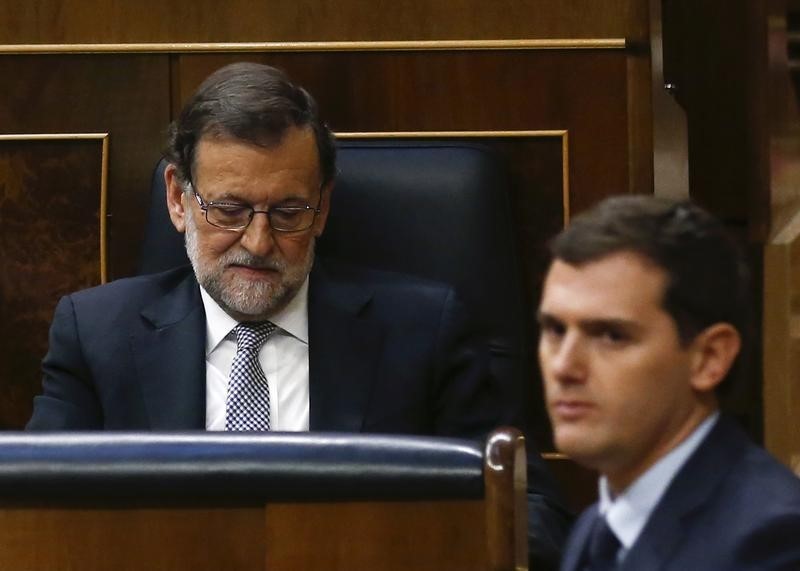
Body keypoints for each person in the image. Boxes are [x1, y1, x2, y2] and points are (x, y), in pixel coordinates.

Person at [26, 62, 571, 568]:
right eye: (230, 210)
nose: (259, 242)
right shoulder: (95, 333)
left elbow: (532, 515)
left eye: (288, 212)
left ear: (323, 207)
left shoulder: (425, 331)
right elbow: (37, 518)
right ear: (178, 200)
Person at [537, 195, 800, 571]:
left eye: (611, 335)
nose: (564, 366)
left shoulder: (772, 543)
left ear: (709, 358)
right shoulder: (596, 529)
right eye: (555, 330)